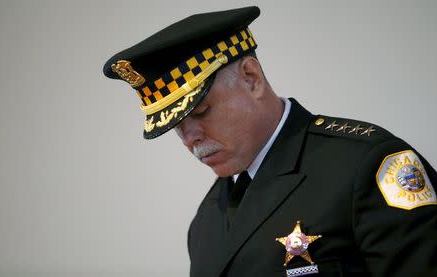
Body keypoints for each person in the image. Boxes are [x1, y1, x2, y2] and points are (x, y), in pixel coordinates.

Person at [103, 6, 436, 277]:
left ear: (251, 78)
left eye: (202, 111)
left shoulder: (367, 167)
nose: (190, 139)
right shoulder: (206, 222)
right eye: (176, 126)